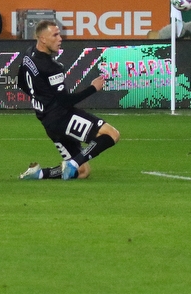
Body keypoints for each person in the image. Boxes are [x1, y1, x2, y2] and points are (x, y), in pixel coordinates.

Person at [16, 20, 120, 180]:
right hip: (62, 118)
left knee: (83, 171)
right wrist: (93, 88)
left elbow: (21, 82)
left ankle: (39, 173)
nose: (60, 39)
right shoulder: (51, 67)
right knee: (112, 134)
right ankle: (72, 164)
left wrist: (39, 97)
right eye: (55, 35)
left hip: (49, 123)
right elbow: (65, 101)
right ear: (43, 39)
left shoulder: (28, 55)